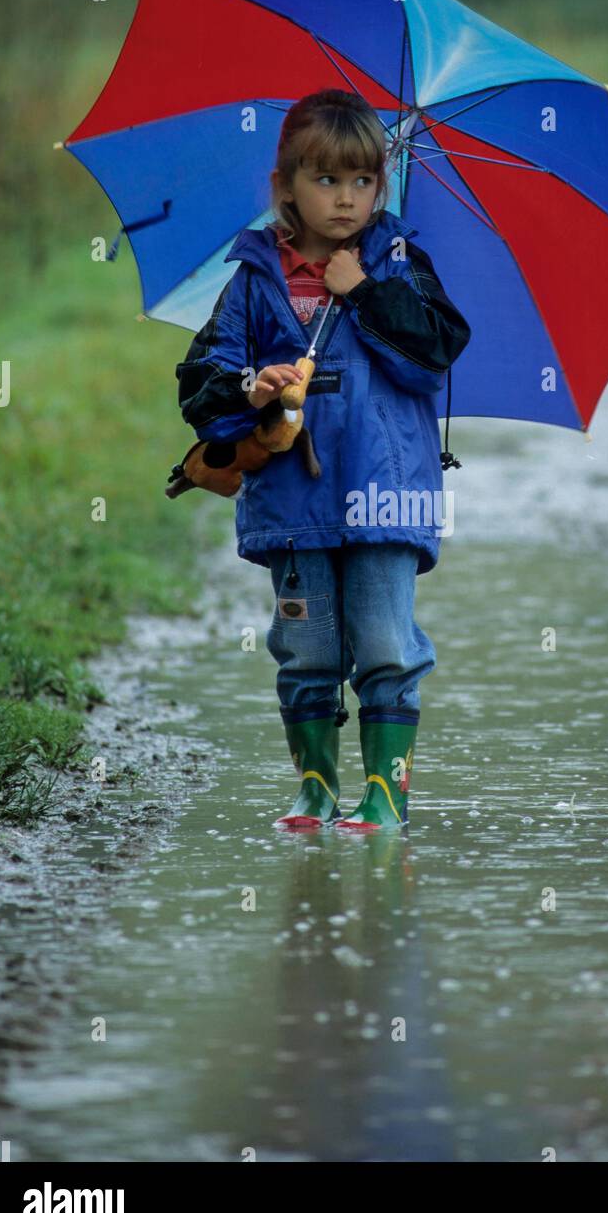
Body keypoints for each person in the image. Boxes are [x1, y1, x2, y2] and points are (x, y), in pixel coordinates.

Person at [175, 88, 471, 830]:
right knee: (304, 646)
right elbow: (200, 387)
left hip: (383, 492)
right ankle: (314, 783)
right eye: (326, 180)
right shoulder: (252, 280)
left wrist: (366, 292)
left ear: (383, 185)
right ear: (284, 188)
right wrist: (255, 384)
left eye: (363, 181)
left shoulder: (397, 262)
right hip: (293, 501)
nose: (346, 200)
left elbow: (435, 354)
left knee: (382, 638)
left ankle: (384, 791)